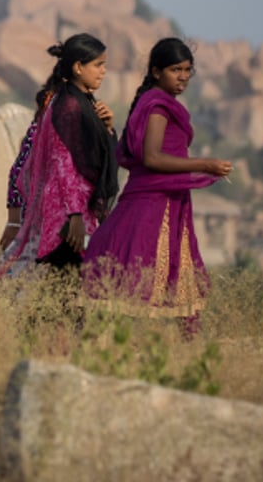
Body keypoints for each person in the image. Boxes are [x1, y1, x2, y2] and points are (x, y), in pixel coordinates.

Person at [82, 38, 232, 323]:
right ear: (155, 71)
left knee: (155, 279)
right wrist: (206, 164)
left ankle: (175, 354)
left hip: (165, 199)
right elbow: (151, 158)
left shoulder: (156, 102)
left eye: (188, 70)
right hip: (153, 203)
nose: (184, 77)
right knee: (143, 281)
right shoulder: (159, 107)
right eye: (176, 69)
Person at [0, 33, 119, 283]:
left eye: (104, 64)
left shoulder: (84, 102)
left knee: (70, 286)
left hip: (79, 210)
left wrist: (107, 127)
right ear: (78, 67)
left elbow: (99, 155)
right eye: (98, 64)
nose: (104, 71)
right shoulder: (69, 105)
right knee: (66, 283)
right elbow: (64, 163)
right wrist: (74, 216)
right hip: (67, 215)